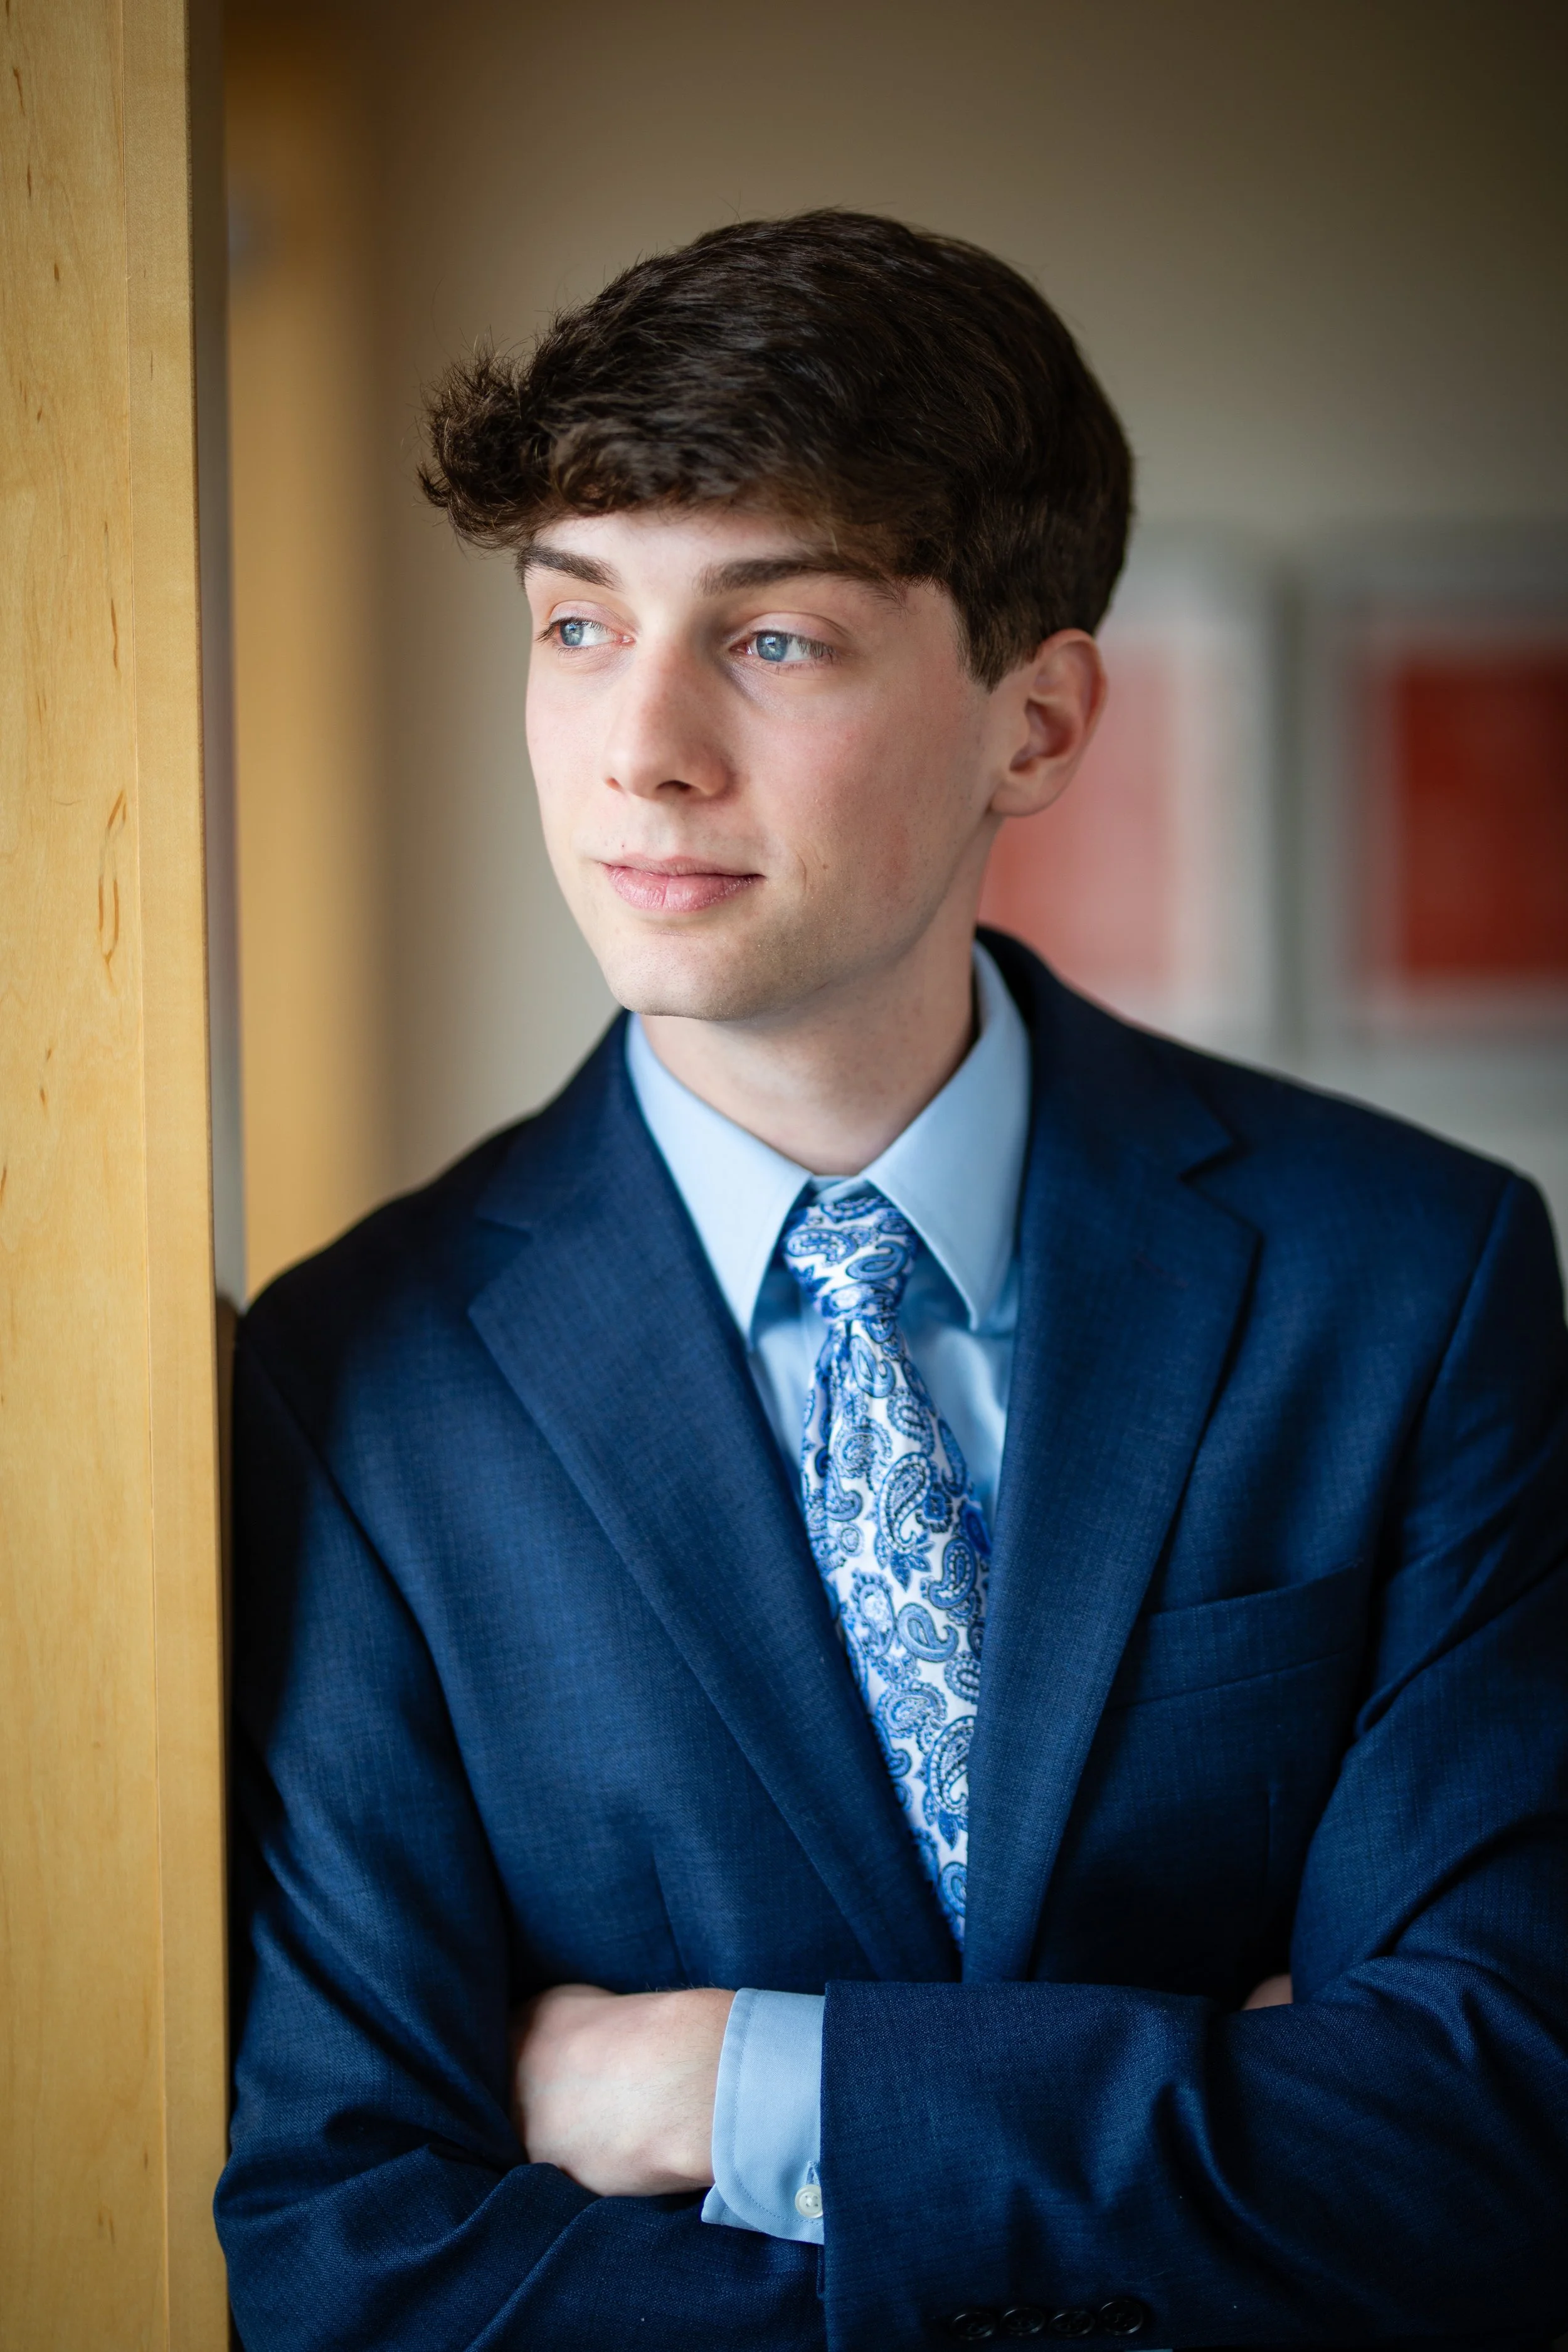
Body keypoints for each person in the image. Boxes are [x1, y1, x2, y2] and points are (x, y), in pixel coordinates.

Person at [213, 213, 1568, 2352]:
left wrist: (726, 2084)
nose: (636, 749)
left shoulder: (1410, 1278)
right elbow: (355, 2264)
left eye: (775, 642)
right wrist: (1212, 2135)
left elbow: (1495, 2140)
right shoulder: (346, 1383)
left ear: (1035, 722)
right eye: (577, 628)